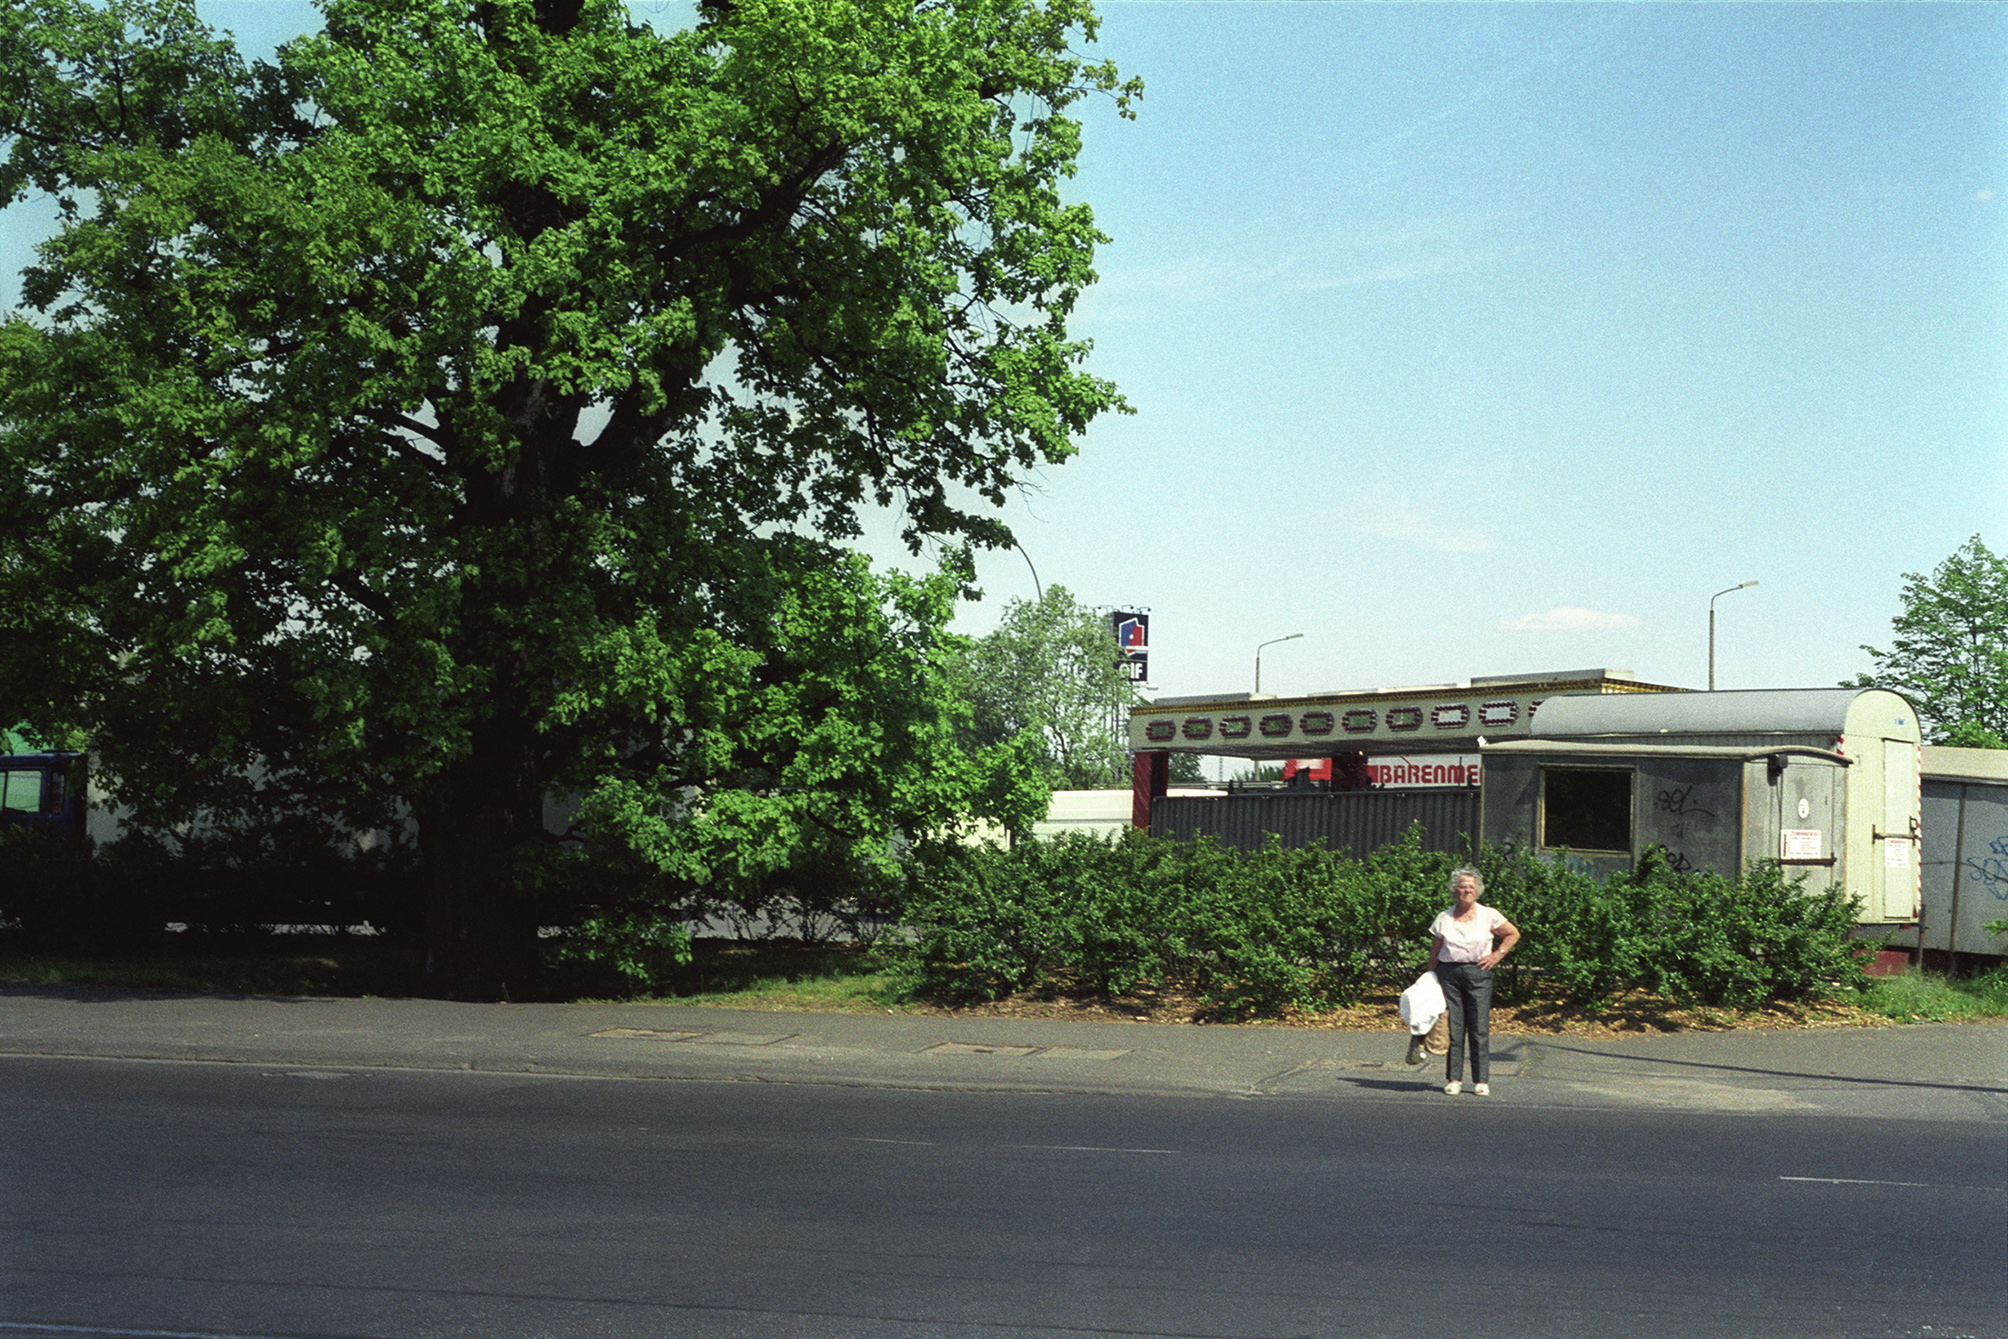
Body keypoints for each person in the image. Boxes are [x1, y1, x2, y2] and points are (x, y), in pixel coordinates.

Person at [1424, 866, 1519, 1096]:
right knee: (1454, 1028)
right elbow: (1435, 950)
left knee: (1478, 1028)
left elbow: (1513, 933)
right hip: (1449, 974)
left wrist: (1498, 955)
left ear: (1477, 890)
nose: (1466, 890)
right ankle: (1454, 1079)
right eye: (1462, 886)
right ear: (1454, 890)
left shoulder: (1489, 914)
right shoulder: (1444, 917)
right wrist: (1429, 976)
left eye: (1471, 886)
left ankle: (1481, 1081)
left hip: (1479, 973)